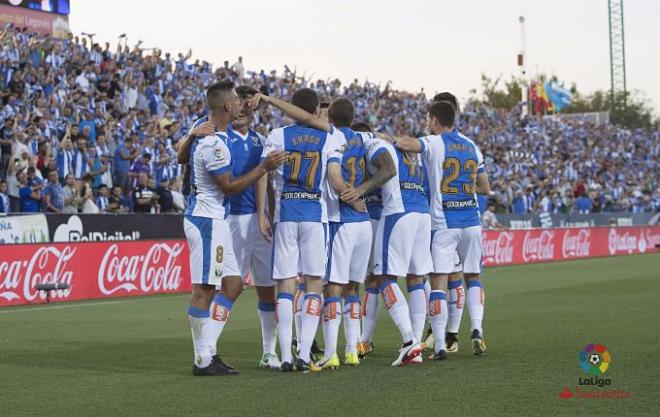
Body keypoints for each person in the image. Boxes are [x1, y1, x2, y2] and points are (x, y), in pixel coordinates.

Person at [178, 80, 286, 376]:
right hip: (207, 221)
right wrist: (264, 167)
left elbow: (181, 156)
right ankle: (203, 358)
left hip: (217, 221)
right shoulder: (213, 142)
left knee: (234, 284)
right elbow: (228, 187)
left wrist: (189, 136)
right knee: (203, 289)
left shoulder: (212, 131)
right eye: (237, 99)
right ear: (227, 106)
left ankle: (209, 350)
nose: (242, 103)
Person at [254, 88, 346, 372]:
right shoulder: (332, 136)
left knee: (285, 285)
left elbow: (263, 174)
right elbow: (333, 178)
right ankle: (305, 354)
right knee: (314, 283)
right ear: (315, 111)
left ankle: (284, 357)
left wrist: (262, 214)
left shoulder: (277, 136)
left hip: (285, 215)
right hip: (314, 218)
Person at [395, 101, 491, 360]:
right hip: (471, 221)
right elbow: (485, 187)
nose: (427, 123)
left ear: (435, 121)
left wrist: (387, 138)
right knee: (473, 276)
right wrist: (462, 186)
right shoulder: (472, 146)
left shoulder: (435, 142)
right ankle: (477, 329)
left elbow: (406, 145)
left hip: (445, 223)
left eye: (428, 119)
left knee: (438, 283)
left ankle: (439, 345)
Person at [342, 123, 432, 367]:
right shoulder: (402, 150)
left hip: (396, 213)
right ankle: (416, 348)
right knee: (416, 279)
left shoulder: (371, 145)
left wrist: (360, 189)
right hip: (422, 213)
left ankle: (407, 341)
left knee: (383, 279)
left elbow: (388, 170)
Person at [318, 98, 396, 369]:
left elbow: (334, 176)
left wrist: (352, 195)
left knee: (333, 286)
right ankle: (352, 350)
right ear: (353, 117)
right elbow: (387, 163)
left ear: (330, 116)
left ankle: (330, 352)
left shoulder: (333, 138)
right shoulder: (365, 138)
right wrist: (364, 190)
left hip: (343, 220)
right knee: (354, 286)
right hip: (365, 224)